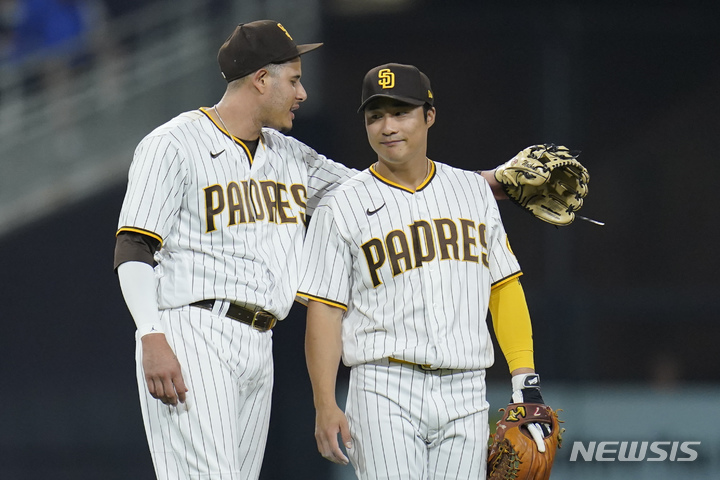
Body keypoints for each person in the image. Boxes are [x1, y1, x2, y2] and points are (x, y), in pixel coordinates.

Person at [114, 20, 543, 480]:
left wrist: (492, 183)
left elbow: (382, 192)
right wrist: (150, 334)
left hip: (260, 341)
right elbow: (133, 245)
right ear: (262, 79)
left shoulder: (291, 156)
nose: (302, 93)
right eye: (294, 80)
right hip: (192, 331)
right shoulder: (173, 143)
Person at [299, 63, 552, 479]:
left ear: (429, 116)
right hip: (383, 385)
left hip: (466, 389)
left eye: (400, 112)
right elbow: (324, 310)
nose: (387, 126)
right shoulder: (342, 203)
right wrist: (325, 403)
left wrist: (525, 377)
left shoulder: (473, 193)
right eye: (375, 116)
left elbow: (503, 286)